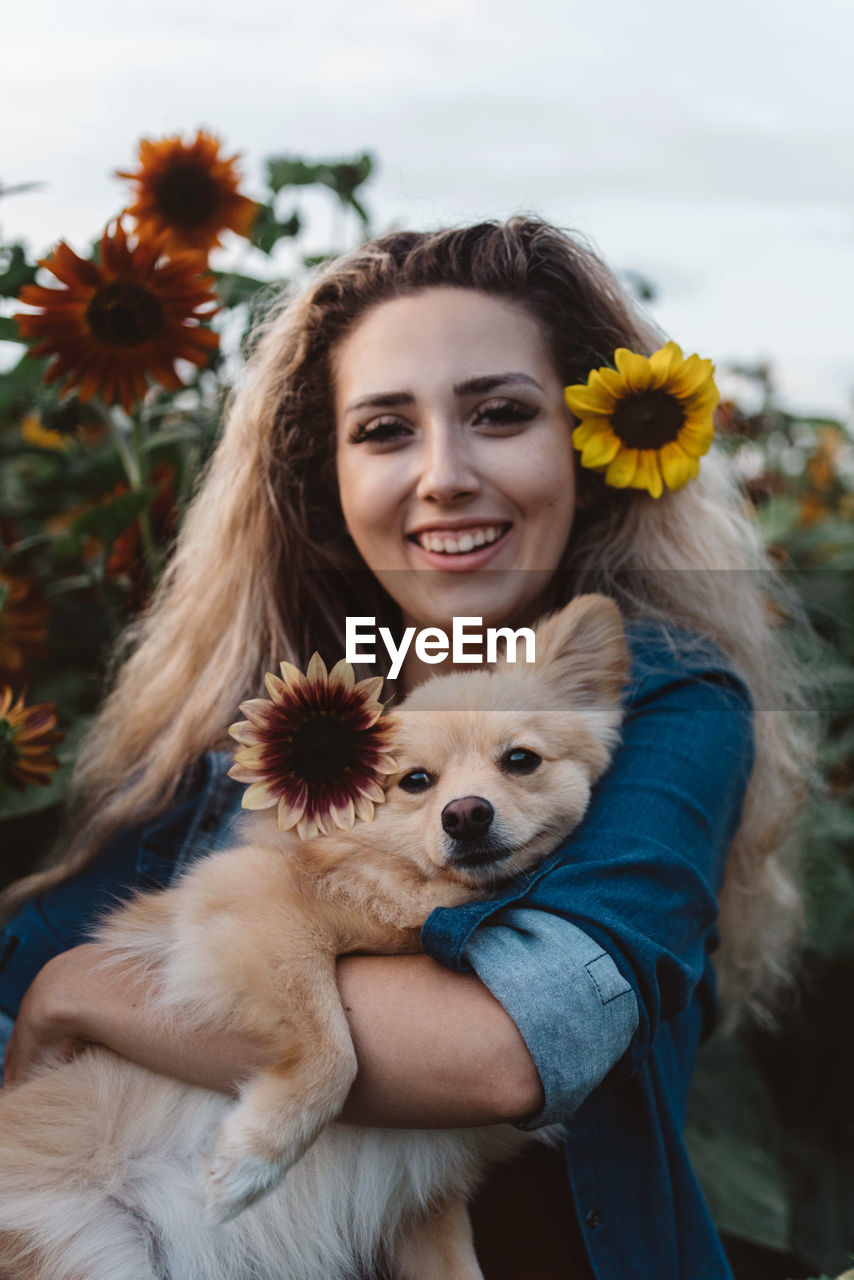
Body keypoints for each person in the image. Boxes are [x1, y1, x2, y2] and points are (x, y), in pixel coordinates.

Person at [0, 217, 810, 1278]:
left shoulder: (658, 694)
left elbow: (498, 1050)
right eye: (384, 429)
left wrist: (85, 990)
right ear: (325, 476)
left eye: (500, 414)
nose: (443, 474)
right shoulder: (266, 714)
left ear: (582, 442)